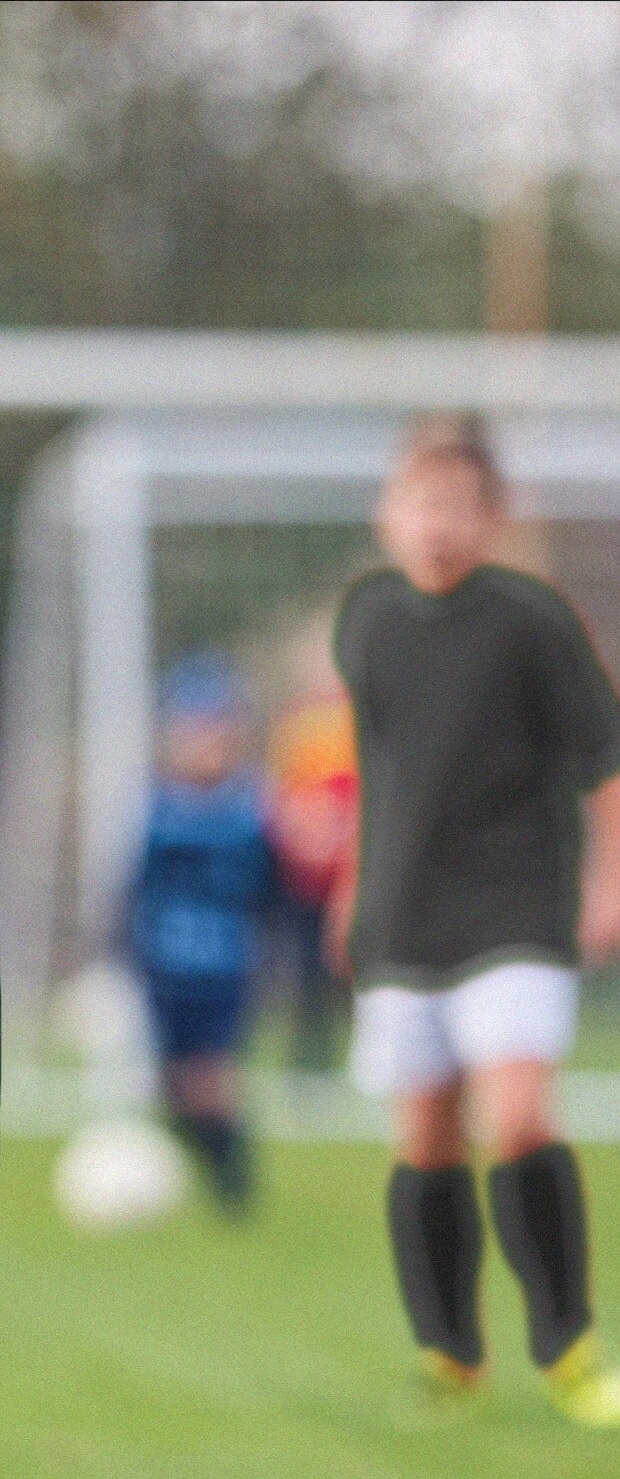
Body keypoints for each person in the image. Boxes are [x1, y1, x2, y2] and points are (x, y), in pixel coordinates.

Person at [336, 417, 620, 1420]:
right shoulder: (364, 623)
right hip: (403, 916)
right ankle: (449, 1352)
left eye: (457, 505)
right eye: (418, 502)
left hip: (516, 906)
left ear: (492, 518)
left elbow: (602, 762)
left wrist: (606, 881)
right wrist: (350, 891)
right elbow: (382, 774)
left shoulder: (531, 621)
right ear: (387, 514)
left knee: (518, 1116)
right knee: (423, 1139)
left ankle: (568, 1345)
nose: (435, 524)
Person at [125, 655, 276, 1210]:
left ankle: (235, 1189)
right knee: (173, 1087)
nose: (207, 743)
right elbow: (131, 892)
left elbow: (274, 893)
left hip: (224, 969)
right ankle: (209, 1168)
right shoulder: (156, 809)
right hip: (165, 968)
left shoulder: (253, 808)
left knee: (212, 1078)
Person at [263, 637, 360, 1072]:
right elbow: (284, 796)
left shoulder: (361, 721)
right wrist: (302, 839)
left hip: (352, 873)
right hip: (306, 877)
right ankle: (311, 1063)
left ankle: (370, 1059)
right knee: (307, 971)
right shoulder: (297, 724)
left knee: (355, 969)